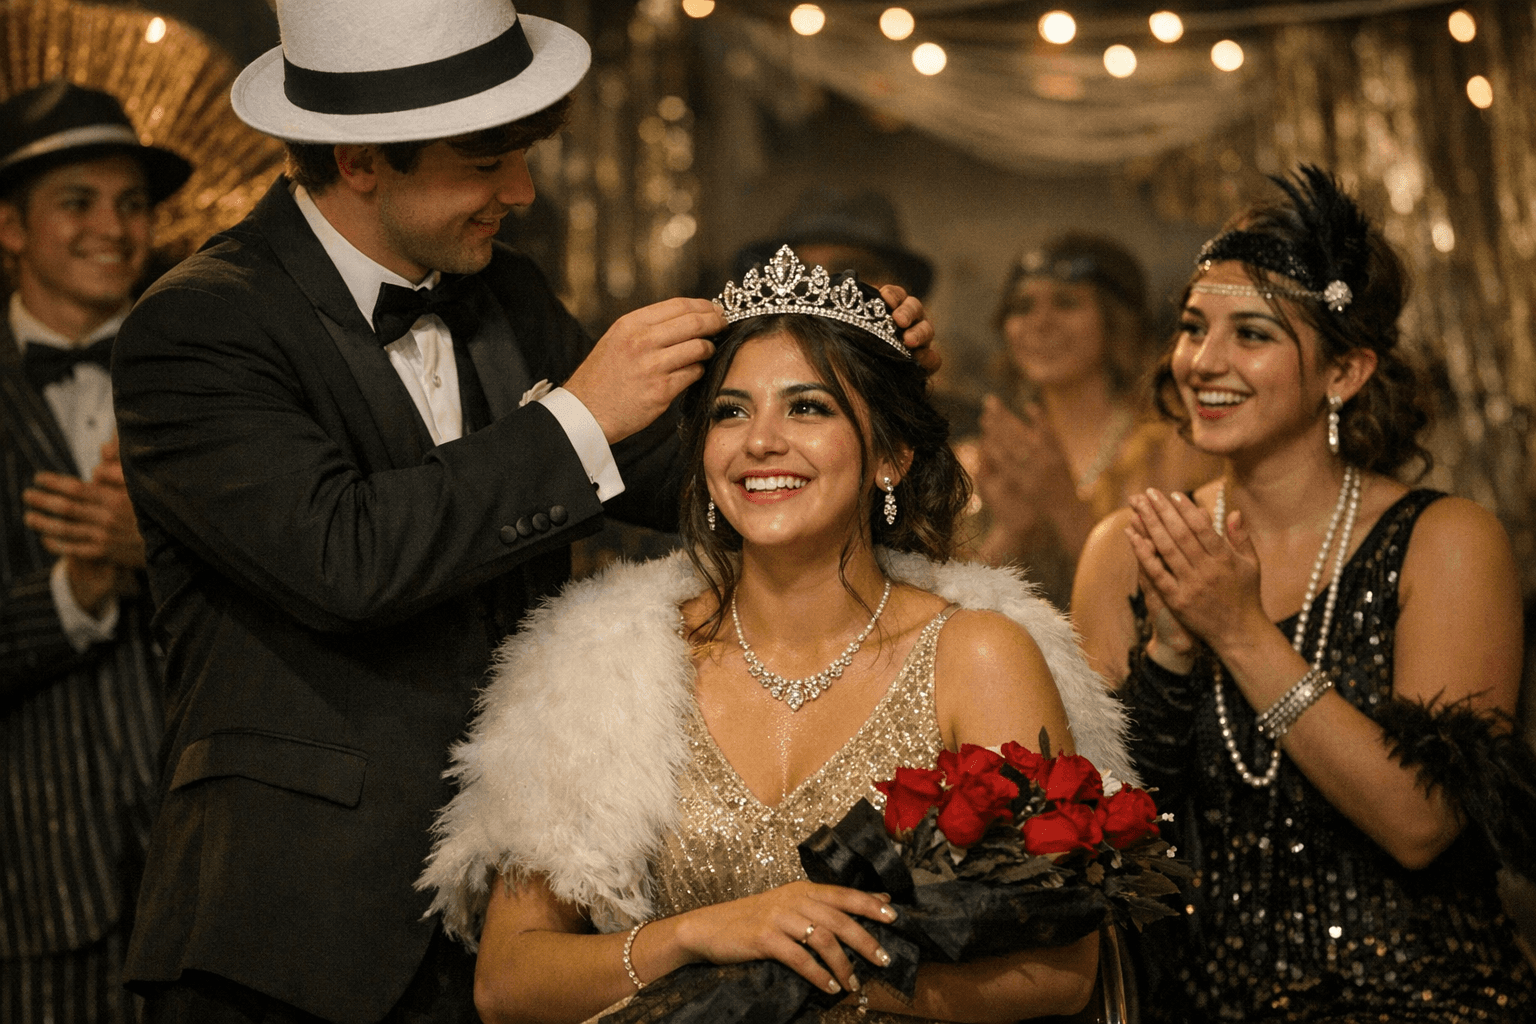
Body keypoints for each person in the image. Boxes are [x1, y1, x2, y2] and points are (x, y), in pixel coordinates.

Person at [109, 3, 933, 1022]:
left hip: (524, 919)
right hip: (291, 938)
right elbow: (344, 560)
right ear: (361, 158)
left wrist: (846, 387)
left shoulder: (506, 295)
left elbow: (693, 478)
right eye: (485, 160)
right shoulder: (198, 324)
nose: (522, 190)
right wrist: (579, 414)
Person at [419, 246, 1141, 1023]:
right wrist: (694, 938)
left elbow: (1061, 971)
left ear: (890, 456)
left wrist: (799, 984)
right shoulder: (608, 664)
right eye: (732, 411)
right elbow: (509, 981)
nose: (760, 440)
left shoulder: (977, 656)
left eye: (808, 407)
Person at [1072, 167, 1536, 1022]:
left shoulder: (1446, 542)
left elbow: (1422, 824)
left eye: (1250, 334)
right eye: (1190, 328)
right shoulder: (1127, 553)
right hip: (1197, 1004)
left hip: (1417, 1001)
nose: (1202, 363)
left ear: (1345, 372)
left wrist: (1239, 631)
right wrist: (1171, 657)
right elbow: (1101, 846)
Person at [0, 81, 190, 1024]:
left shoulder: (207, 378)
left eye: (131, 204)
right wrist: (77, 587)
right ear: (10, 227)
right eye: (78, 201)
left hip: (202, 872)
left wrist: (153, 552)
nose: (113, 227)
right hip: (31, 889)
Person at [967, 234, 1217, 610]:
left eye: (1066, 303)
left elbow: (1161, 606)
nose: (1040, 323)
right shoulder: (984, 455)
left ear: (1115, 322)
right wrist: (1011, 531)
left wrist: (1065, 508)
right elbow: (952, 618)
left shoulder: (1176, 449)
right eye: (1021, 307)